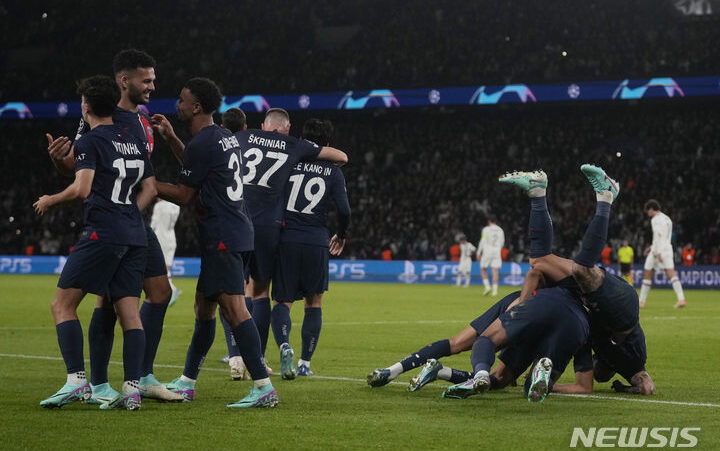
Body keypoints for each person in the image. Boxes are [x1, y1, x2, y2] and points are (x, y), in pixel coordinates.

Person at [45, 49, 182, 403]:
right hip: (118, 219)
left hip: (127, 219)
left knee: (159, 293)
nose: (152, 85)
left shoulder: (145, 121)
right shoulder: (106, 115)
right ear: (125, 81)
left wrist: (130, 211)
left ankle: (140, 376)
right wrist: (62, 163)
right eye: (146, 80)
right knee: (110, 301)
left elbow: (140, 181)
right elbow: (78, 171)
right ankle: (104, 382)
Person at [155, 77, 277, 408]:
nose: (176, 105)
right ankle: (187, 380)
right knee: (204, 309)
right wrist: (171, 139)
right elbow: (197, 166)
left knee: (236, 310)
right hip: (232, 231)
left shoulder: (204, 143)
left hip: (223, 235)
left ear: (196, 106)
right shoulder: (221, 136)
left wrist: (149, 183)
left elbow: (185, 193)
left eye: (181, 100)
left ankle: (264, 387)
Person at [35, 75, 156, 410]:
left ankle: (76, 381)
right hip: (135, 234)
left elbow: (82, 188)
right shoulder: (134, 139)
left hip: (103, 233)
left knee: (62, 305)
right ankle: (131, 390)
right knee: (130, 314)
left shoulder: (89, 141)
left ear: (86, 107)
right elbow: (149, 188)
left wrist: (50, 199)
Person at [270, 118, 351, 379]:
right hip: (316, 240)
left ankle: (284, 346)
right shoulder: (334, 172)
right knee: (313, 302)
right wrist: (341, 234)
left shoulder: (289, 162)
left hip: (287, 238)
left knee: (282, 301)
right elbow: (345, 210)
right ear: (327, 144)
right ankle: (304, 363)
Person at [639, 200, 686, 308]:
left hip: (658, 250)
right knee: (671, 274)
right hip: (667, 248)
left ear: (651, 209)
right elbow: (664, 236)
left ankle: (641, 301)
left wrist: (657, 252)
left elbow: (658, 235)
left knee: (647, 273)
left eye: (648, 211)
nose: (647, 213)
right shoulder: (667, 218)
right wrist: (650, 247)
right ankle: (681, 299)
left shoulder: (655, 219)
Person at [150, 199, 181, 305]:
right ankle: (171, 289)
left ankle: (172, 290)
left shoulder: (159, 206)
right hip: (172, 238)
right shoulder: (176, 205)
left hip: (161, 238)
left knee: (161, 268)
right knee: (167, 268)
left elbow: (153, 224)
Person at [476, 217, 505, 296]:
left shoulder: (486, 229)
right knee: (495, 270)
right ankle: (495, 291)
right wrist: (498, 249)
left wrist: (479, 252)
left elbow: (483, 240)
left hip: (487, 250)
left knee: (483, 269)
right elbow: (502, 242)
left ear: (489, 222)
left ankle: (487, 287)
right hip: (497, 251)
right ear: (496, 222)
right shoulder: (500, 230)